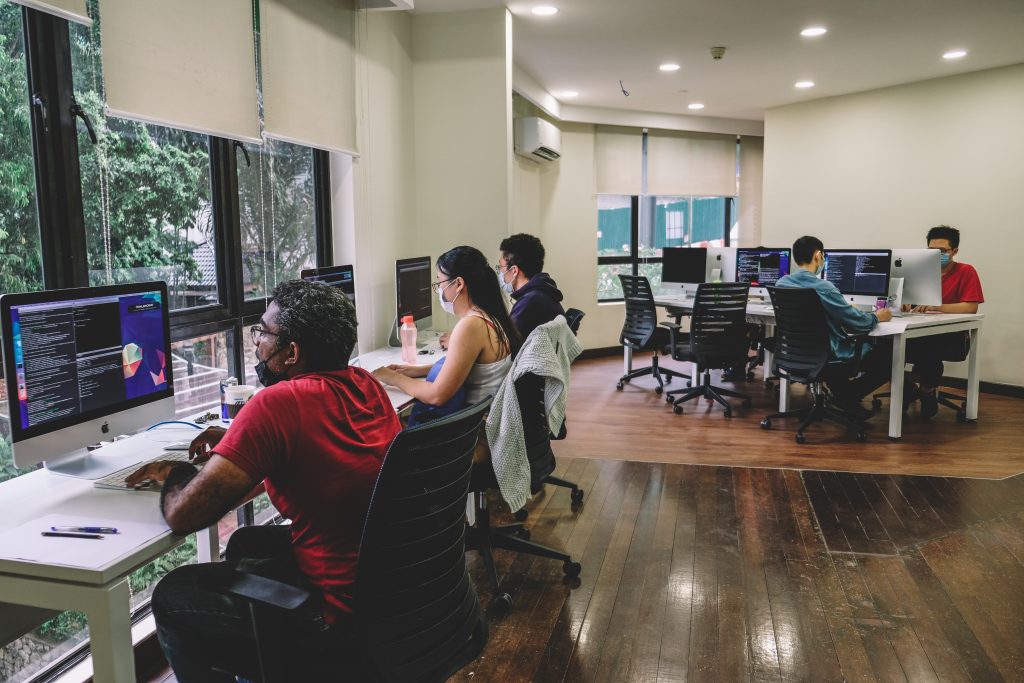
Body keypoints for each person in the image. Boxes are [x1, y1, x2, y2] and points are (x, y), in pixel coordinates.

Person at [126, 280, 401, 681]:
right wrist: (244, 442)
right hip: (384, 585)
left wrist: (175, 472)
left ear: (292, 352)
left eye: (263, 333)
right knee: (244, 542)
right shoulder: (367, 386)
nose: (257, 345)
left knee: (170, 596)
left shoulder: (278, 403)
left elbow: (183, 514)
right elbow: (316, 453)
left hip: (334, 611)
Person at [373, 245, 521, 412]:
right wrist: (414, 371)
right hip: (478, 422)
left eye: (440, 282)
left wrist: (392, 378)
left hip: (472, 430)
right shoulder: (490, 316)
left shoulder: (470, 326)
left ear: (458, 283)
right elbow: (463, 365)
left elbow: (436, 395)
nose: (439, 289)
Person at [776, 235, 893, 417]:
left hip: (794, 353)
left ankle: (843, 396)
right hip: (827, 355)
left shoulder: (782, 284)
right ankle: (848, 396)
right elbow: (856, 322)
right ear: (818, 256)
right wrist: (877, 317)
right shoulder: (825, 288)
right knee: (888, 357)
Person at [904, 225, 984, 418]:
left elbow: (970, 307)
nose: (935, 255)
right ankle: (909, 388)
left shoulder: (966, 271)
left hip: (951, 336)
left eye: (942, 252)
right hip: (916, 331)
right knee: (885, 346)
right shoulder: (918, 271)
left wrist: (936, 306)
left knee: (929, 348)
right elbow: (907, 300)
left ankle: (926, 391)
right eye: (931, 251)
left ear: (954, 251)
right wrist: (903, 302)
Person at [439, 233, 565, 349]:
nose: (499, 272)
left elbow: (506, 346)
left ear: (514, 271)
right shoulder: (543, 292)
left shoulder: (530, 302)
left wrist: (460, 342)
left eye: (501, 267)